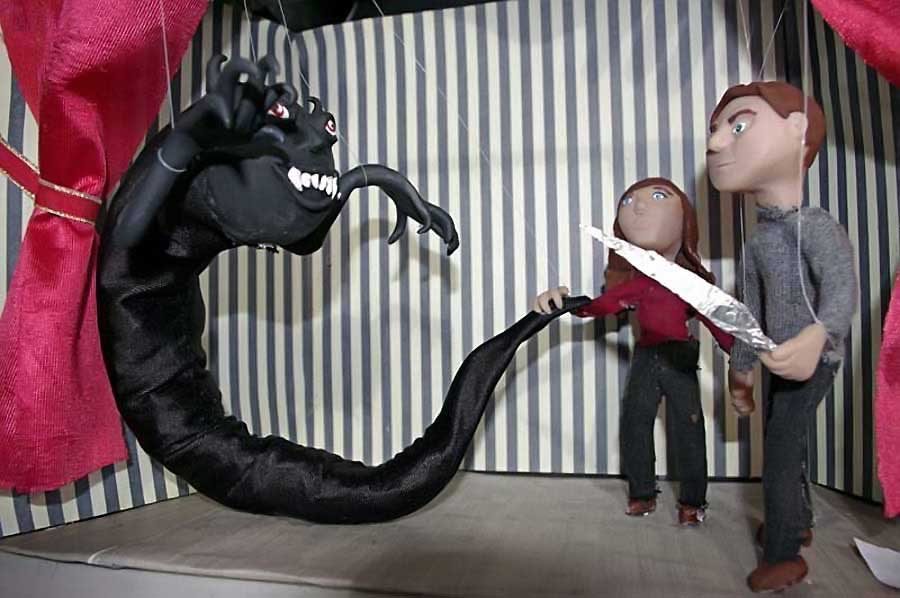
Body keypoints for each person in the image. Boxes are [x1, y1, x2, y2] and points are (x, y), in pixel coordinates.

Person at [707, 81, 858, 592]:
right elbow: (749, 313)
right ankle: (798, 518)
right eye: (716, 130)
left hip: (817, 360)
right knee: (786, 443)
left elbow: (842, 288)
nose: (716, 143)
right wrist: (742, 371)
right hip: (777, 360)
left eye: (738, 125)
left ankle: (785, 552)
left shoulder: (814, 226)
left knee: (779, 452)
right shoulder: (758, 242)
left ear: (797, 131)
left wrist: (819, 336)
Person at [533, 177, 733, 526]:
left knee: (689, 428)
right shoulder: (638, 284)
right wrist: (564, 303)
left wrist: (741, 357)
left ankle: (692, 501)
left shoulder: (690, 283)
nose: (638, 206)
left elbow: (717, 322)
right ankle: (642, 493)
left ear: (685, 221)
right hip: (646, 357)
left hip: (679, 358)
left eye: (657, 196)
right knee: (634, 424)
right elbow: (598, 307)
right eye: (628, 201)